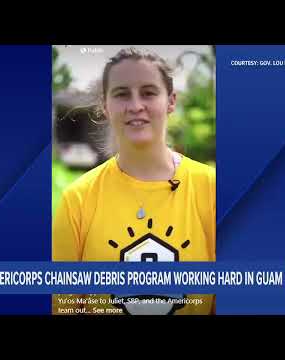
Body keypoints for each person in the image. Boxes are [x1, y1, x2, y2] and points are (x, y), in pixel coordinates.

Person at [52, 47, 216, 315]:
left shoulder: (212, 189)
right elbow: (62, 306)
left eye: (149, 92)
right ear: (105, 105)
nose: (136, 105)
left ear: (171, 101)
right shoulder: (78, 199)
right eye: (122, 94)